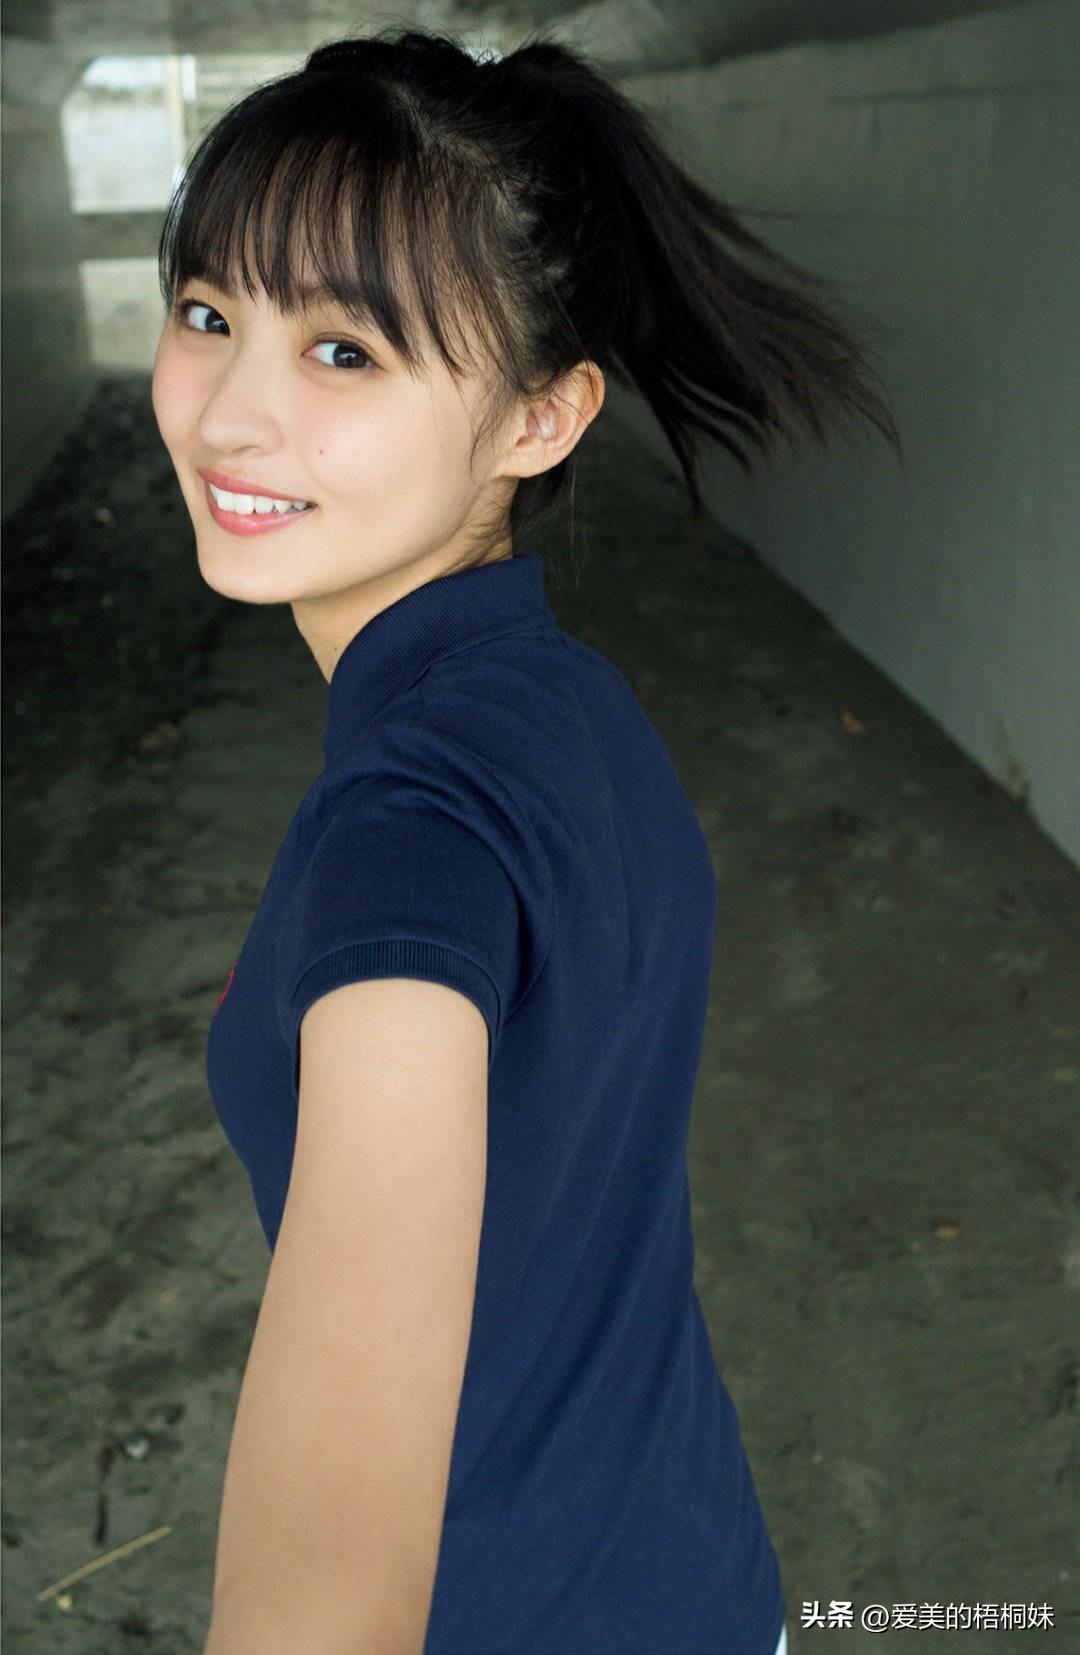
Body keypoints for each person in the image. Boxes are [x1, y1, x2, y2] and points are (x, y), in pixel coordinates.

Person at [151, 25, 899, 1655]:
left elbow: (329, 1591)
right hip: (700, 1577)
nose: (231, 417)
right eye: (208, 314)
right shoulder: (566, 701)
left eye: (343, 351)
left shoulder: (402, 839)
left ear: (540, 420)